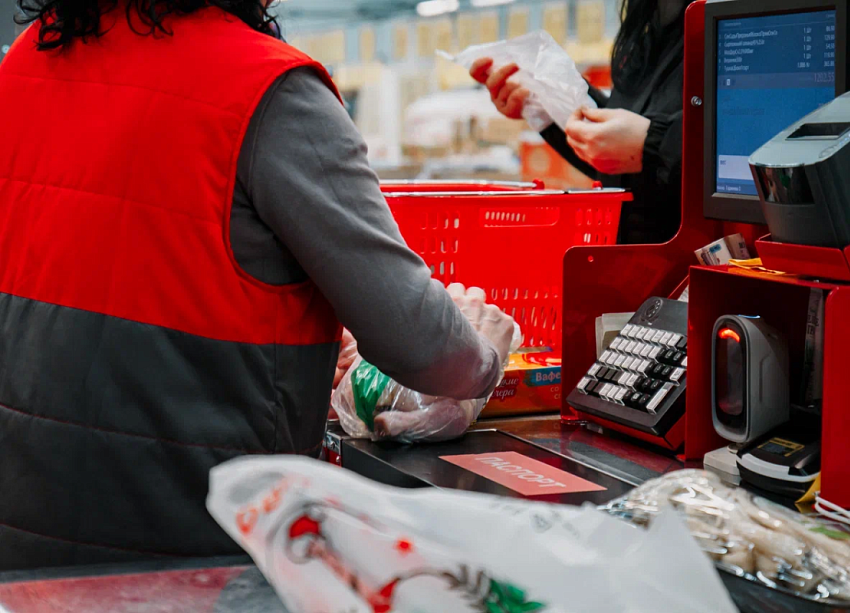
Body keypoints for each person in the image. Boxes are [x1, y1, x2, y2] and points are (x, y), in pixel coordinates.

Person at [0, 0, 515, 570]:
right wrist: (481, 354)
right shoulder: (269, 89)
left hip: (23, 535)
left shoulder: (29, 60)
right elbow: (425, 348)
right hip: (199, 538)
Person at [471, 0, 693, 245]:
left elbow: (733, 155)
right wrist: (546, 100)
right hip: (631, 259)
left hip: (697, 263)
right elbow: (620, 162)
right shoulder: (647, 26)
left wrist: (653, 144)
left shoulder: (724, 23)